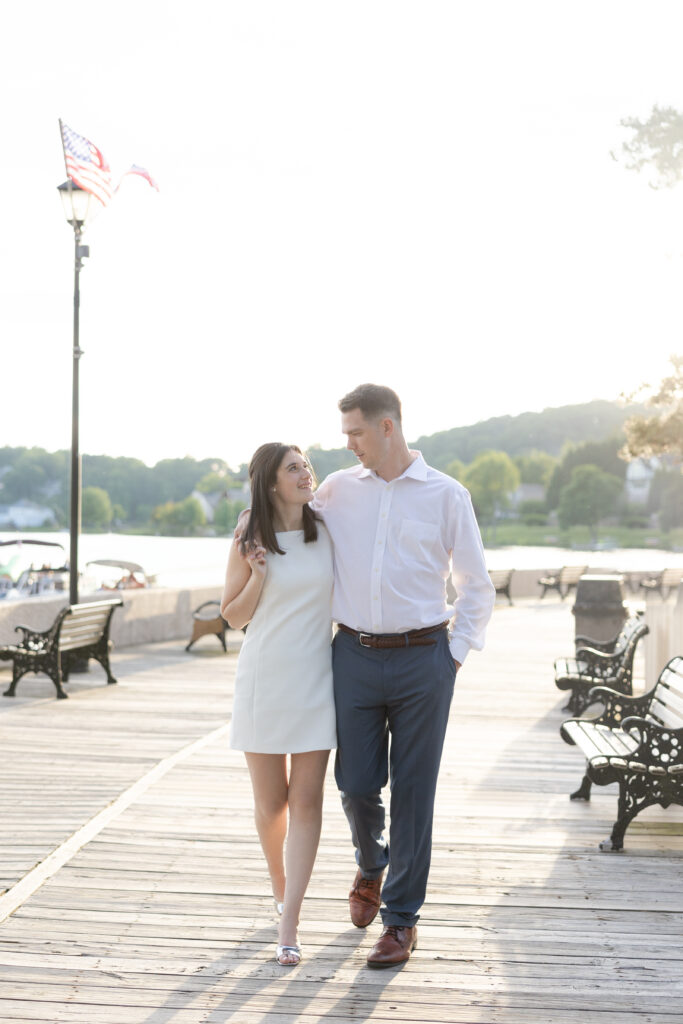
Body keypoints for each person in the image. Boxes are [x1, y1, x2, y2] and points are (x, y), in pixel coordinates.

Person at [310, 384, 495, 967]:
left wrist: (453, 656)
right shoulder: (338, 490)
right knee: (355, 783)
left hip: (424, 661)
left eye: (356, 432)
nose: (349, 444)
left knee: (414, 792)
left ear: (388, 427)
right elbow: (288, 525)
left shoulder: (447, 495)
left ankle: (401, 920)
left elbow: (475, 585)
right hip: (354, 656)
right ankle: (372, 864)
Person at [221, 443, 336, 967]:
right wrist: (260, 574)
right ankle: (279, 887)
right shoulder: (250, 535)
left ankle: (289, 920)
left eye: (306, 465)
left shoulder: (328, 527)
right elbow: (232, 617)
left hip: (317, 681)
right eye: (294, 468)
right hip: (264, 682)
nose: (305, 473)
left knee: (307, 803)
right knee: (272, 805)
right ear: (271, 483)